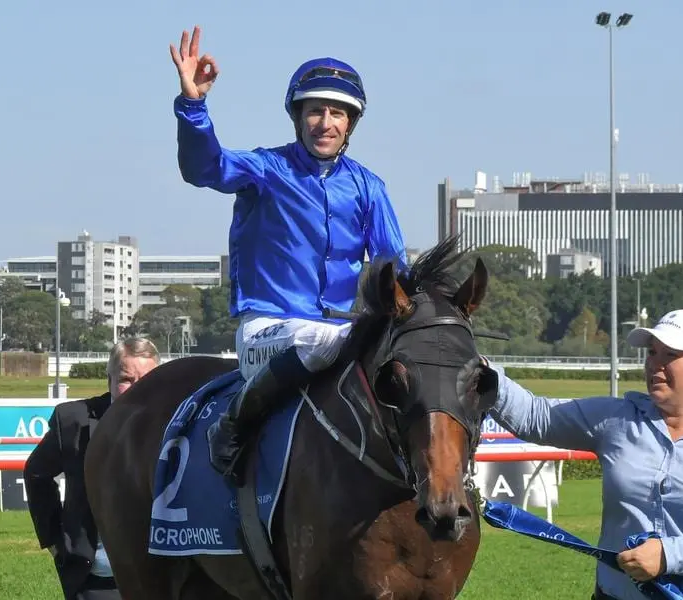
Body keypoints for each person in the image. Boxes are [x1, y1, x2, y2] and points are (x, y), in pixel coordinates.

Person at [168, 26, 408, 475]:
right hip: (268, 330)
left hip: (341, 333)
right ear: (298, 117)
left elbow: (396, 270)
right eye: (316, 110)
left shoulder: (369, 188)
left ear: (350, 124)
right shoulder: (265, 169)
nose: (326, 122)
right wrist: (194, 106)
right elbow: (204, 168)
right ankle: (231, 425)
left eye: (338, 113)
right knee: (327, 341)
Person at [481, 308, 683, 599]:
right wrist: (475, 365)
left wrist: (669, 555)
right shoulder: (616, 419)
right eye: (652, 352)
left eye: (670, 355)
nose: (654, 364)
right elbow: (537, 416)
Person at [24, 337, 161, 600]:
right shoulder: (74, 420)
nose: (136, 389)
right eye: (125, 379)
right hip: (96, 578)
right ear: (108, 379)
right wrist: (55, 541)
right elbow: (36, 473)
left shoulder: (176, 422)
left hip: (159, 577)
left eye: (146, 380)